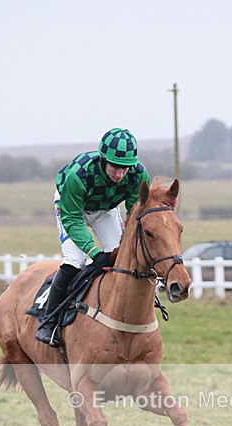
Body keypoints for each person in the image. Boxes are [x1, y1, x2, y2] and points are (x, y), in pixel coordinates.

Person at [35, 127, 150, 346]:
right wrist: (95, 253)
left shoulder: (139, 175)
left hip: (106, 210)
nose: (119, 174)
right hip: (72, 210)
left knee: (120, 259)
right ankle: (48, 323)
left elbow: (136, 213)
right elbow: (73, 221)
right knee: (76, 260)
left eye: (125, 168)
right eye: (115, 167)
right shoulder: (78, 175)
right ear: (103, 160)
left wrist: (126, 244)